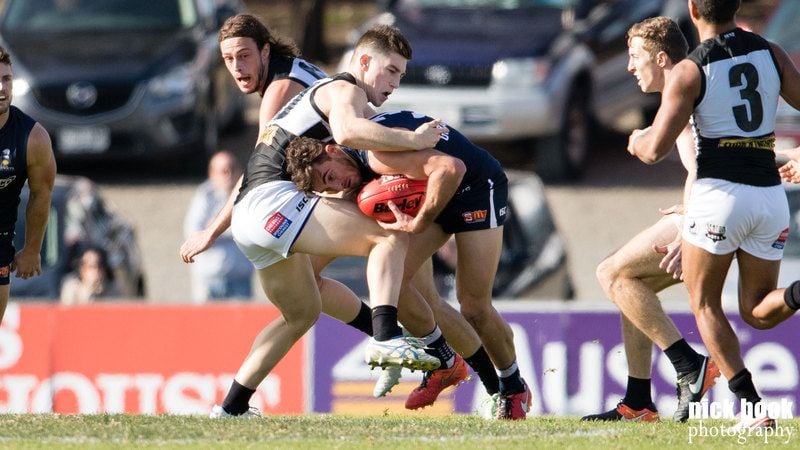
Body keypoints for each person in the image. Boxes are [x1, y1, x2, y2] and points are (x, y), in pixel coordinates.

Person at [184, 17, 502, 418]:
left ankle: (231, 407)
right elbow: (348, 132)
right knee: (389, 237)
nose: (395, 82)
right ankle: (389, 338)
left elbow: (266, 165)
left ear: (266, 53)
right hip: (272, 204)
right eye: (391, 71)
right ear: (363, 63)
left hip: (251, 220)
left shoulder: (302, 88)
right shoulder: (341, 87)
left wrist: (216, 229)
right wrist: (415, 140)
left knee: (301, 312)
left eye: (400, 75)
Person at [285, 108, 533, 420]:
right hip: (435, 192)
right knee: (393, 285)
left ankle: (513, 387)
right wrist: (304, 273)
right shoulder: (353, 167)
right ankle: (445, 362)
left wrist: (420, 222)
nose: (337, 186)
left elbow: (451, 168)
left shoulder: (374, 156)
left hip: (476, 187)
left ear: (333, 150)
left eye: (330, 177)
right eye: (328, 188)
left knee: (474, 307)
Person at [627, 0, 800, 429]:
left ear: (692, 9)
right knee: (757, 310)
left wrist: (636, 139)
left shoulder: (690, 69)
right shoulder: (771, 52)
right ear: (736, 5)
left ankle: (753, 409)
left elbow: (654, 150)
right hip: (770, 197)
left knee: (704, 302)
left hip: (720, 196)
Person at [582, 17, 719, 423]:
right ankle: (638, 401)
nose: (629, 66)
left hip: (711, 213)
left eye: (635, 56)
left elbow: (700, 168)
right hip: (720, 206)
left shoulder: (682, 88)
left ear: (661, 59)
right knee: (630, 286)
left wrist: (689, 224)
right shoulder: (696, 84)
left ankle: (689, 365)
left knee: (610, 273)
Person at [0, 46, 57, 325]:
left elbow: (41, 193)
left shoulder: (32, 137)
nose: (1, 88)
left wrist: (32, 250)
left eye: (7, 79)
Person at [184, 150, 253, 302]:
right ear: (212, 174)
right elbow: (194, 234)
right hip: (209, 278)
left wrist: (213, 228)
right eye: (223, 171)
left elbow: (254, 231)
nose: (228, 175)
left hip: (240, 277)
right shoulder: (204, 197)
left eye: (232, 169)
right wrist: (231, 228)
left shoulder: (249, 195)